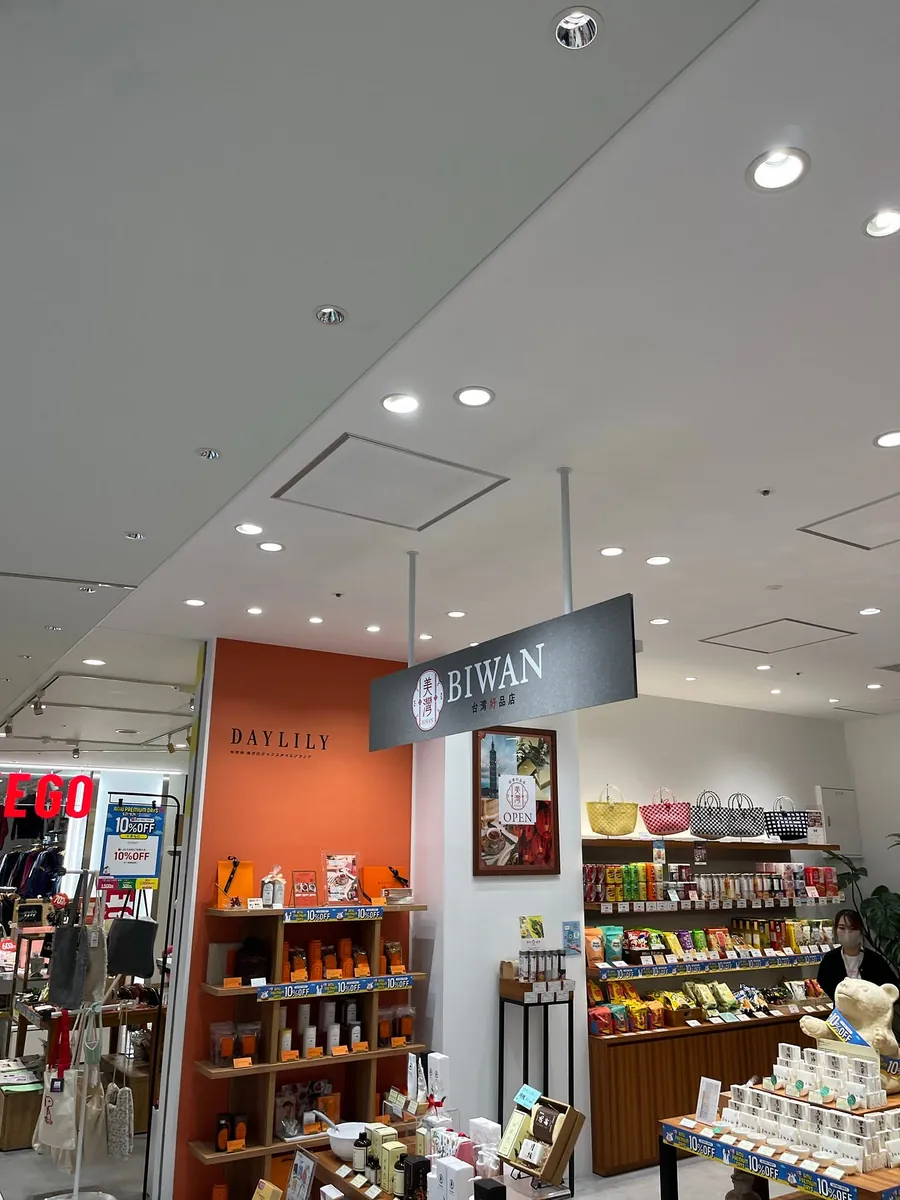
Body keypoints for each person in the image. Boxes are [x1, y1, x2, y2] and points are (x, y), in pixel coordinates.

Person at [816, 908, 900, 1000]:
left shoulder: (875, 960)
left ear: (861, 930)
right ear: (835, 930)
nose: (847, 932)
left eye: (852, 928)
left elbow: (891, 987)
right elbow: (823, 983)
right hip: (841, 1008)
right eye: (842, 928)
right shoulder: (830, 959)